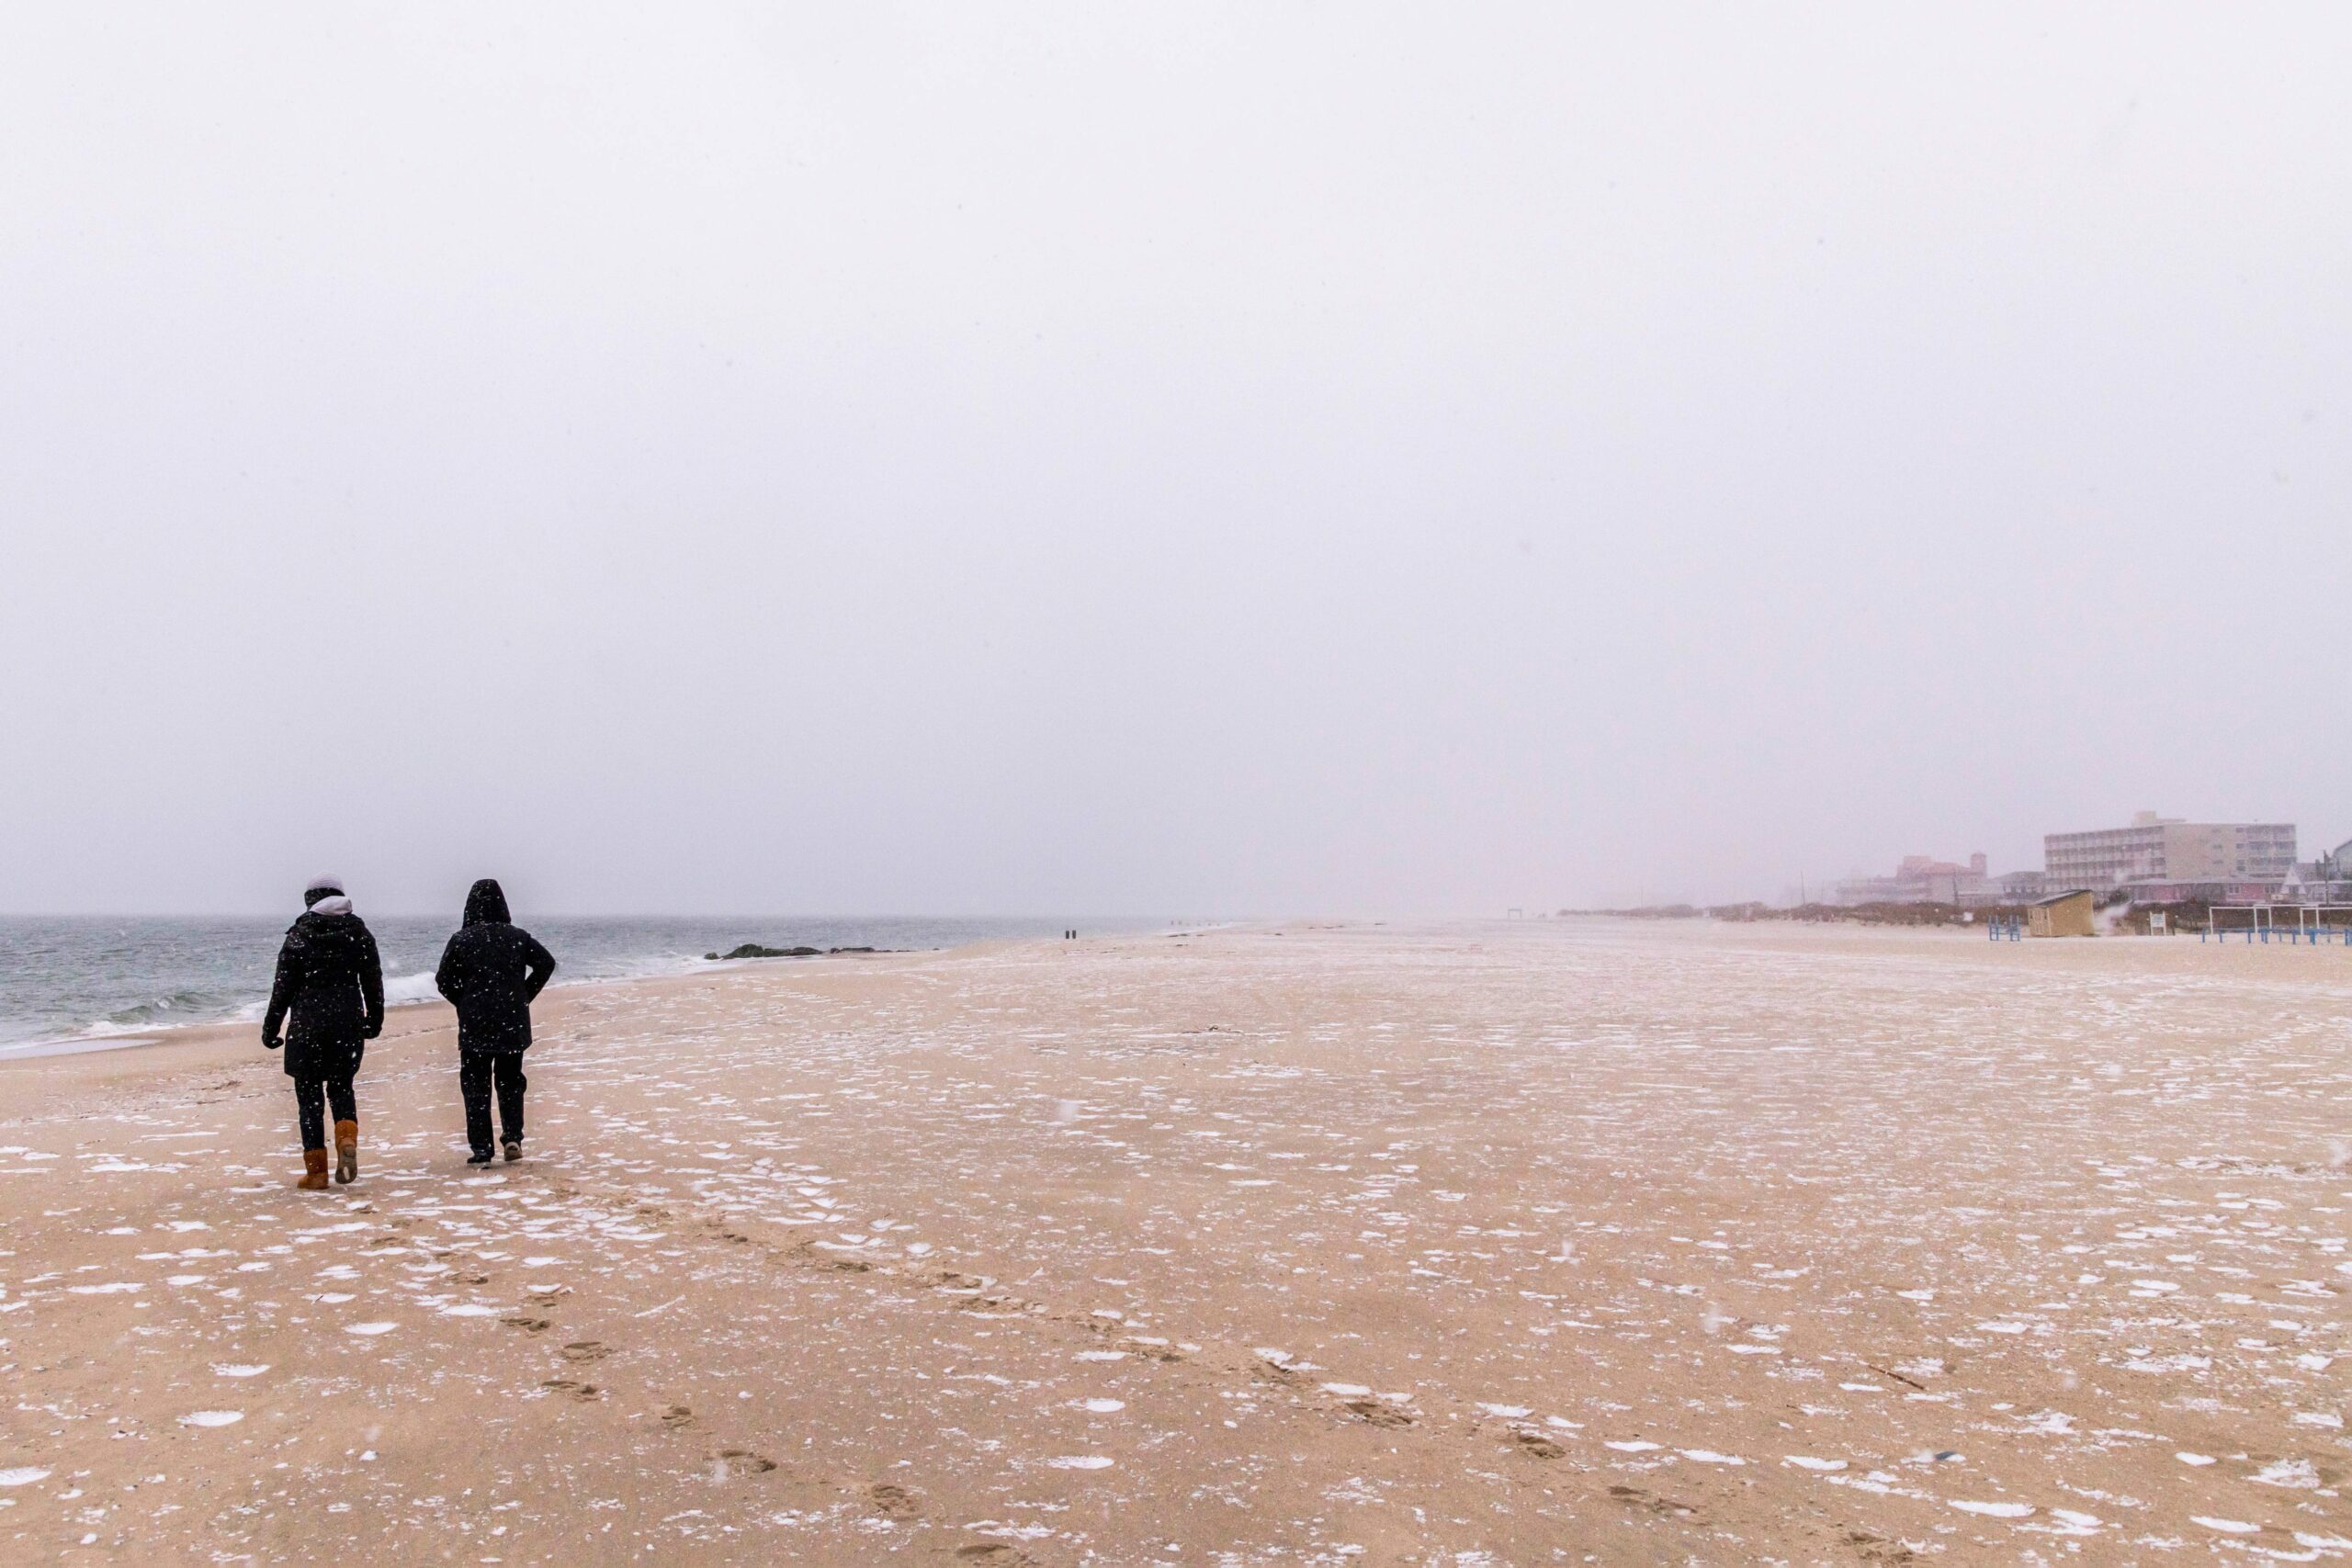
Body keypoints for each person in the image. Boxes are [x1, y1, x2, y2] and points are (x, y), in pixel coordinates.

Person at [262, 876, 384, 1190]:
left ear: (311, 899)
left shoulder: (299, 935)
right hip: (347, 1023)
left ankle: (316, 1173)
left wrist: (271, 1027)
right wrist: (375, 1018)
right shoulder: (358, 933)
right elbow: (372, 980)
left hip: (307, 1026)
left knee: (309, 1099)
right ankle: (346, 1139)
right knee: (342, 1087)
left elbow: (283, 988)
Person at [434, 878, 556, 1166]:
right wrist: (523, 995)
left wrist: (464, 1002)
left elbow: (443, 980)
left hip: (476, 1022)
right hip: (511, 1021)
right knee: (511, 1082)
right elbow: (546, 964)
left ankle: (482, 1149)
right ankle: (512, 1137)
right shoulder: (518, 937)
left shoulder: (461, 939)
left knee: (475, 1086)